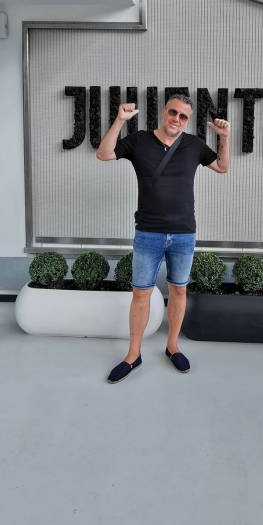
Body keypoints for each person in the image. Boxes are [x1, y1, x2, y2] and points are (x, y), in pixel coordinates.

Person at [96, 94, 231, 382]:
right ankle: (133, 354)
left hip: (184, 233)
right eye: (173, 112)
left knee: (179, 291)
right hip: (148, 232)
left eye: (183, 116)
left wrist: (224, 137)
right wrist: (120, 120)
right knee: (141, 294)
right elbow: (104, 154)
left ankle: (172, 347)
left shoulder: (194, 145)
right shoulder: (140, 141)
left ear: (187, 120)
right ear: (163, 111)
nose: (177, 119)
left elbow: (222, 167)